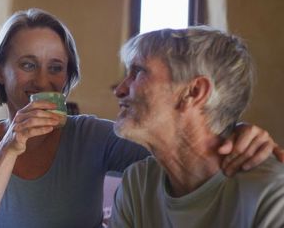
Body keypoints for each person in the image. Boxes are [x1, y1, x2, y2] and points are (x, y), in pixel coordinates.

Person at [0, 9, 282, 228]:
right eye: (28, 64)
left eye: (56, 68)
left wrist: (234, 132)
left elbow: (189, 146)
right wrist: (10, 147)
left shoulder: (94, 138)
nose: (43, 81)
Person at [110, 26, 284, 227]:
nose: (120, 89)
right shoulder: (138, 184)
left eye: (139, 71)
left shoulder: (271, 194)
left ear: (194, 92)